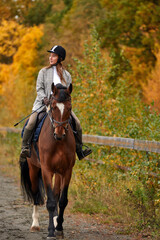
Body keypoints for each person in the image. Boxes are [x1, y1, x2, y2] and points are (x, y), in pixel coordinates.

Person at [20, 45, 92, 161]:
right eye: (50, 55)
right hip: (43, 104)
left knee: (77, 123)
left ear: (60, 58)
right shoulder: (43, 72)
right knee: (30, 123)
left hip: (60, 107)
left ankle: (79, 149)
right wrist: (44, 98)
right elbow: (39, 89)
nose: (50, 58)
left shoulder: (67, 75)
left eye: (53, 56)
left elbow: (68, 93)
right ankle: (25, 148)